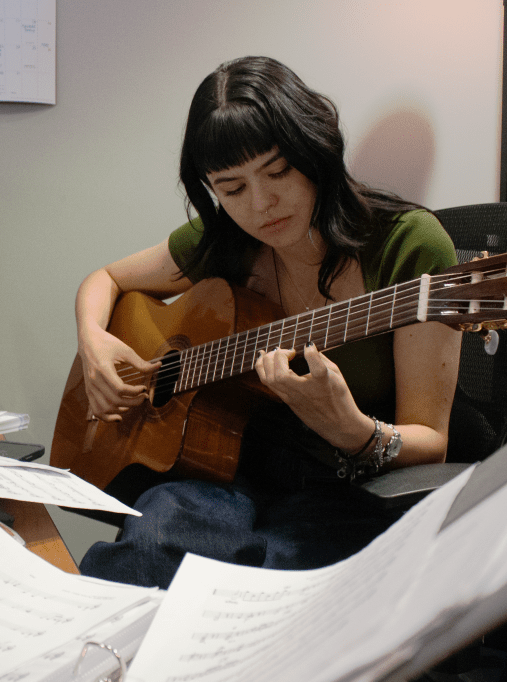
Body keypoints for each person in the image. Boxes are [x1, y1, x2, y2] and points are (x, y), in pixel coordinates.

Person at [75, 56, 462, 589]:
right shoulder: (227, 243)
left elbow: (432, 443)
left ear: (316, 149)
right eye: (231, 189)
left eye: (278, 171)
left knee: (266, 589)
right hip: (229, 473)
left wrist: (352, 430)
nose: (261, 204)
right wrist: (95, 343)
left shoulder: (410, 246)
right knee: (150, 544)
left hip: (347, 489)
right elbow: (104, 279)